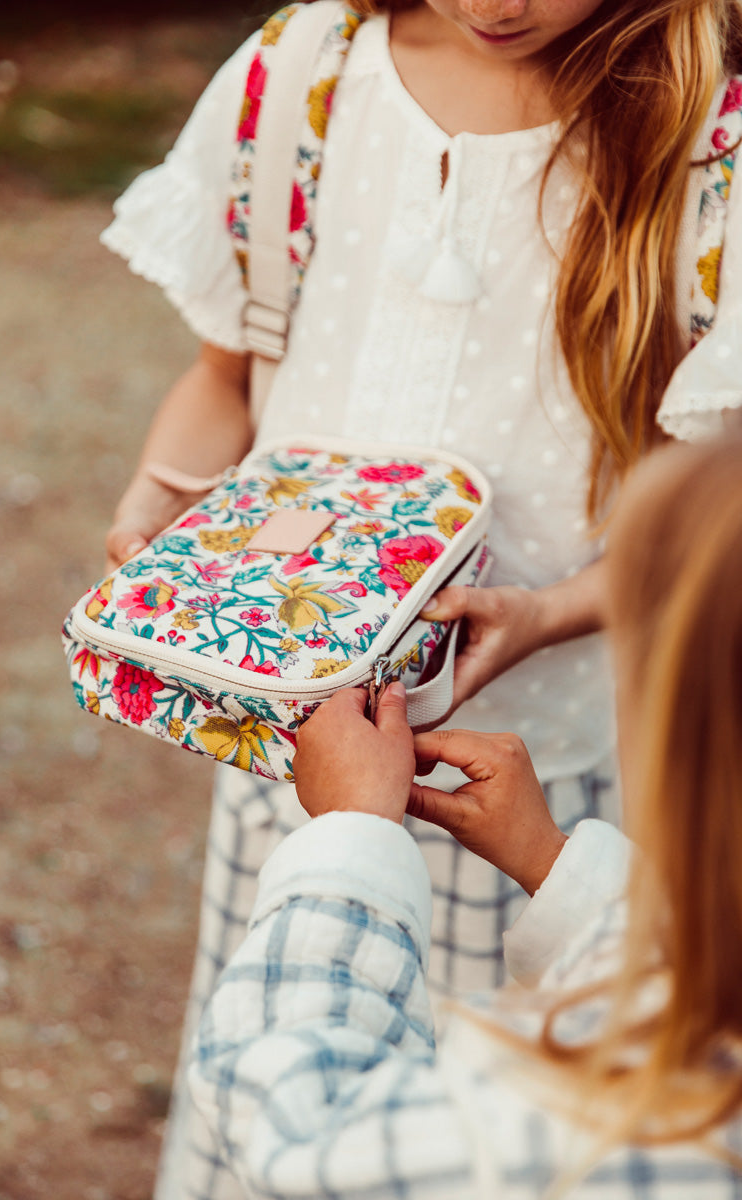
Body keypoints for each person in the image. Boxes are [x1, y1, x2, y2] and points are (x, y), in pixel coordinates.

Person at [98, 2, 742, 1196]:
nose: (499, 4)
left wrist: (548, 613)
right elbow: (223, 375)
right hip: (304, 756)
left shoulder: (707, 137)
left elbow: (712, 505)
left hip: (540, 778)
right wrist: (157, 504)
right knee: (284, 1026)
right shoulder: (297, 79)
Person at [187, 435, 742, 1198]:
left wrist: (353, 834)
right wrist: (553, 863)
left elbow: (301, 1131)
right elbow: (687, 970)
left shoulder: (591, 1115)